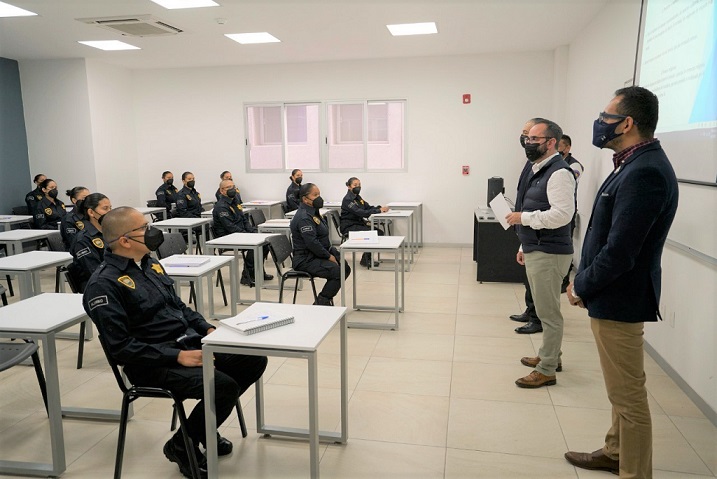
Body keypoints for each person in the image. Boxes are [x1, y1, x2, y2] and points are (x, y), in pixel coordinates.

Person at [82, 207, 267, 478]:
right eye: (143, 229)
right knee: (222, 386)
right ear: (124, 240)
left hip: (187, 344)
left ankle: (197, 430)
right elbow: (120, 348)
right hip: (151, 362)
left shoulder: (150, 263)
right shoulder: (103, 285)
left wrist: (207, 329)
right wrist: (176, 356)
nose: (152, 232)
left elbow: (179, 307)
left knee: (252, 360)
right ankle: (183, 445)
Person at [565, 86, 678, 478]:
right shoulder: (632, 163)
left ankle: (634, 471)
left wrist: (582, 285)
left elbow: (620, 251)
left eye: (606, 115)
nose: (600, 122)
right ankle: (616, 452)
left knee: (628, 398)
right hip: (615, 295)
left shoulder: (645, 170)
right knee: (620, 391)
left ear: (627, 122)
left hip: (621, 297)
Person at [506, 119, 575, 388]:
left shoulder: (559, 173)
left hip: (550, 251)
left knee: (549, 314)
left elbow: (562, 214)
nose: (528, 143)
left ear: (551, 143)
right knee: (545, 309)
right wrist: (524, 244)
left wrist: (524, 218)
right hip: (537, 248)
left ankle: (547, 369)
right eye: (527, 138)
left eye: (534, 139)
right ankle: (551, 356)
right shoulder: (539, 168)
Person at [510, 118, 545, 334]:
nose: (525, 139)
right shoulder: (530, 162)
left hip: (537, 231)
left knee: (537, 280)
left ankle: (536, 318)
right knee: (528, 276)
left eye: (530, 136)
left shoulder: (553, 168)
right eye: (524, 135)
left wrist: (523, 218)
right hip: (526, 227)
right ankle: (530, 310)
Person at [291, 183, 350, 306]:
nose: (319, 197)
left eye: (319, 194)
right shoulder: (304, 217)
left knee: (345, 268)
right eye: (315, 195)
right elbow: (312, 243)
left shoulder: (313, 212)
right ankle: (321, 302)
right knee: (337, 272)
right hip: (305, 259)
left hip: (316, 254)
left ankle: (325, 299)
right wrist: (328, 257)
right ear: (305, 199)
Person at [213, 179, 273, 286]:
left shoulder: (235, 201)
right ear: (222, 191)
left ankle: (258, 272)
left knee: (265, 242)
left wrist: (252, 231)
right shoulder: (221, 206)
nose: (232, 189)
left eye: (233, 186)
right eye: (228, 187)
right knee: (254, 245)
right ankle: (247, 276)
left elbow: (244, 220)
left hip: (240, 233)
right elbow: (230, 227)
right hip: (227, 237)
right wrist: (247, 235)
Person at [339, 177, 388, 267]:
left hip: (358, 223)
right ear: (349, 187)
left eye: (359, 185)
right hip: (349, 226)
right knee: (376, 233)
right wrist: (378, 211)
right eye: (355, 185)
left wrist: (379, 208)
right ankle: (366, 260)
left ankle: (366, 259)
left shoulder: (357, 197)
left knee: (379, 232)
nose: (358, 187)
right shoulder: (348, 199)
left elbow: (367, 207)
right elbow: (361, 213)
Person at [69, 193, 111, 292]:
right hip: (96, 287)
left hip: (112, 279)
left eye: (110, 208)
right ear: (91, 212)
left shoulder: (110, 232)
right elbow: (94, 271)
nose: (109, 212)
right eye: (105, 209)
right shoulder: (83, 240)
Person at [558, 134, 584, 293]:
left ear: (567, 148)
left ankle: (564, 279)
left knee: (565, 244)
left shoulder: (575, 165)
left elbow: (570, 179)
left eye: (560, 145)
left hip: (567, 212)